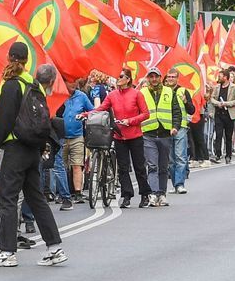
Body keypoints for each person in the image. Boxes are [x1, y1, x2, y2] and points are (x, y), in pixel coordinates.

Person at [0, 51, 65, 267]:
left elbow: (3, 120)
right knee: (36, 198)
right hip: (33, 149)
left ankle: (7, 252)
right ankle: (54, 247)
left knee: (8, 198)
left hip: (15, 147)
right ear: (27, 59)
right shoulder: (34, 83)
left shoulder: (11, 84)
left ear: (9, 57)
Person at [95, 69, 150, 209]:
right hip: (119, 135)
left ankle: (144, 194)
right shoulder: (112, 95)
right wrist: (86, 114)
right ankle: (126, 195)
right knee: (123, 168)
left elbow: (145, 114)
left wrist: (130, 121)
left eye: (120, 76)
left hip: (135, 136)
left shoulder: (137, 94)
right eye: (116, 76)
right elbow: (101, 108)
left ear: (128, 79)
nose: (117, 79)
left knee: (139, 167)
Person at [139, 68, 178, 208]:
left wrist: (175, 127)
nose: (154, 79)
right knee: (152, 166)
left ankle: (162, 194)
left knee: (163, 166)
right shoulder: (142, 93)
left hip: (165, 134)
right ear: (148, 78)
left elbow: (176, 111)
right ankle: (154, 193)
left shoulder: (169, 92)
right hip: (148, 133)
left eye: (156, 76)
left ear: (161, 78)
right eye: (151, 77)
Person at [61, 78, 92, 206]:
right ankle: (63, 193)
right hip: (60, 137)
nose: (73, 84)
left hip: (77, 136)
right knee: (61, 167)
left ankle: (77, 192)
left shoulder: (82, 96)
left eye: (75, 81)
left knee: (76, 165)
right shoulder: (60, 95)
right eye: (70, 81)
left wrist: (84, 115)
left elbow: (92, 110)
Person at [167, 70, 197, 194]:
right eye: (169, 77)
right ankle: (175, 184)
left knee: (180, 157)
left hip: (181, 128)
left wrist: (185, 102)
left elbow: (192, 110)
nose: (170, 79)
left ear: (177, 79)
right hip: (167, 127)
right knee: (171, 159)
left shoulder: (183, 91)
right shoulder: (163, 91)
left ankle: (180, 184)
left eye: (173, 77)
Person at [213, 68, 235, 164]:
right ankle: (218, 154)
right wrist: (218, 103)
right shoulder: (216, 87)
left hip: (229, 114)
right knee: (218, 134)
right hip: (219, 114)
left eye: (220, 76)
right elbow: (212, 99)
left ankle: (228, 155)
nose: (218, 78)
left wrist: (227, 103)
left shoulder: (234, 87)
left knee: (228, 136)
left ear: (225, 77)